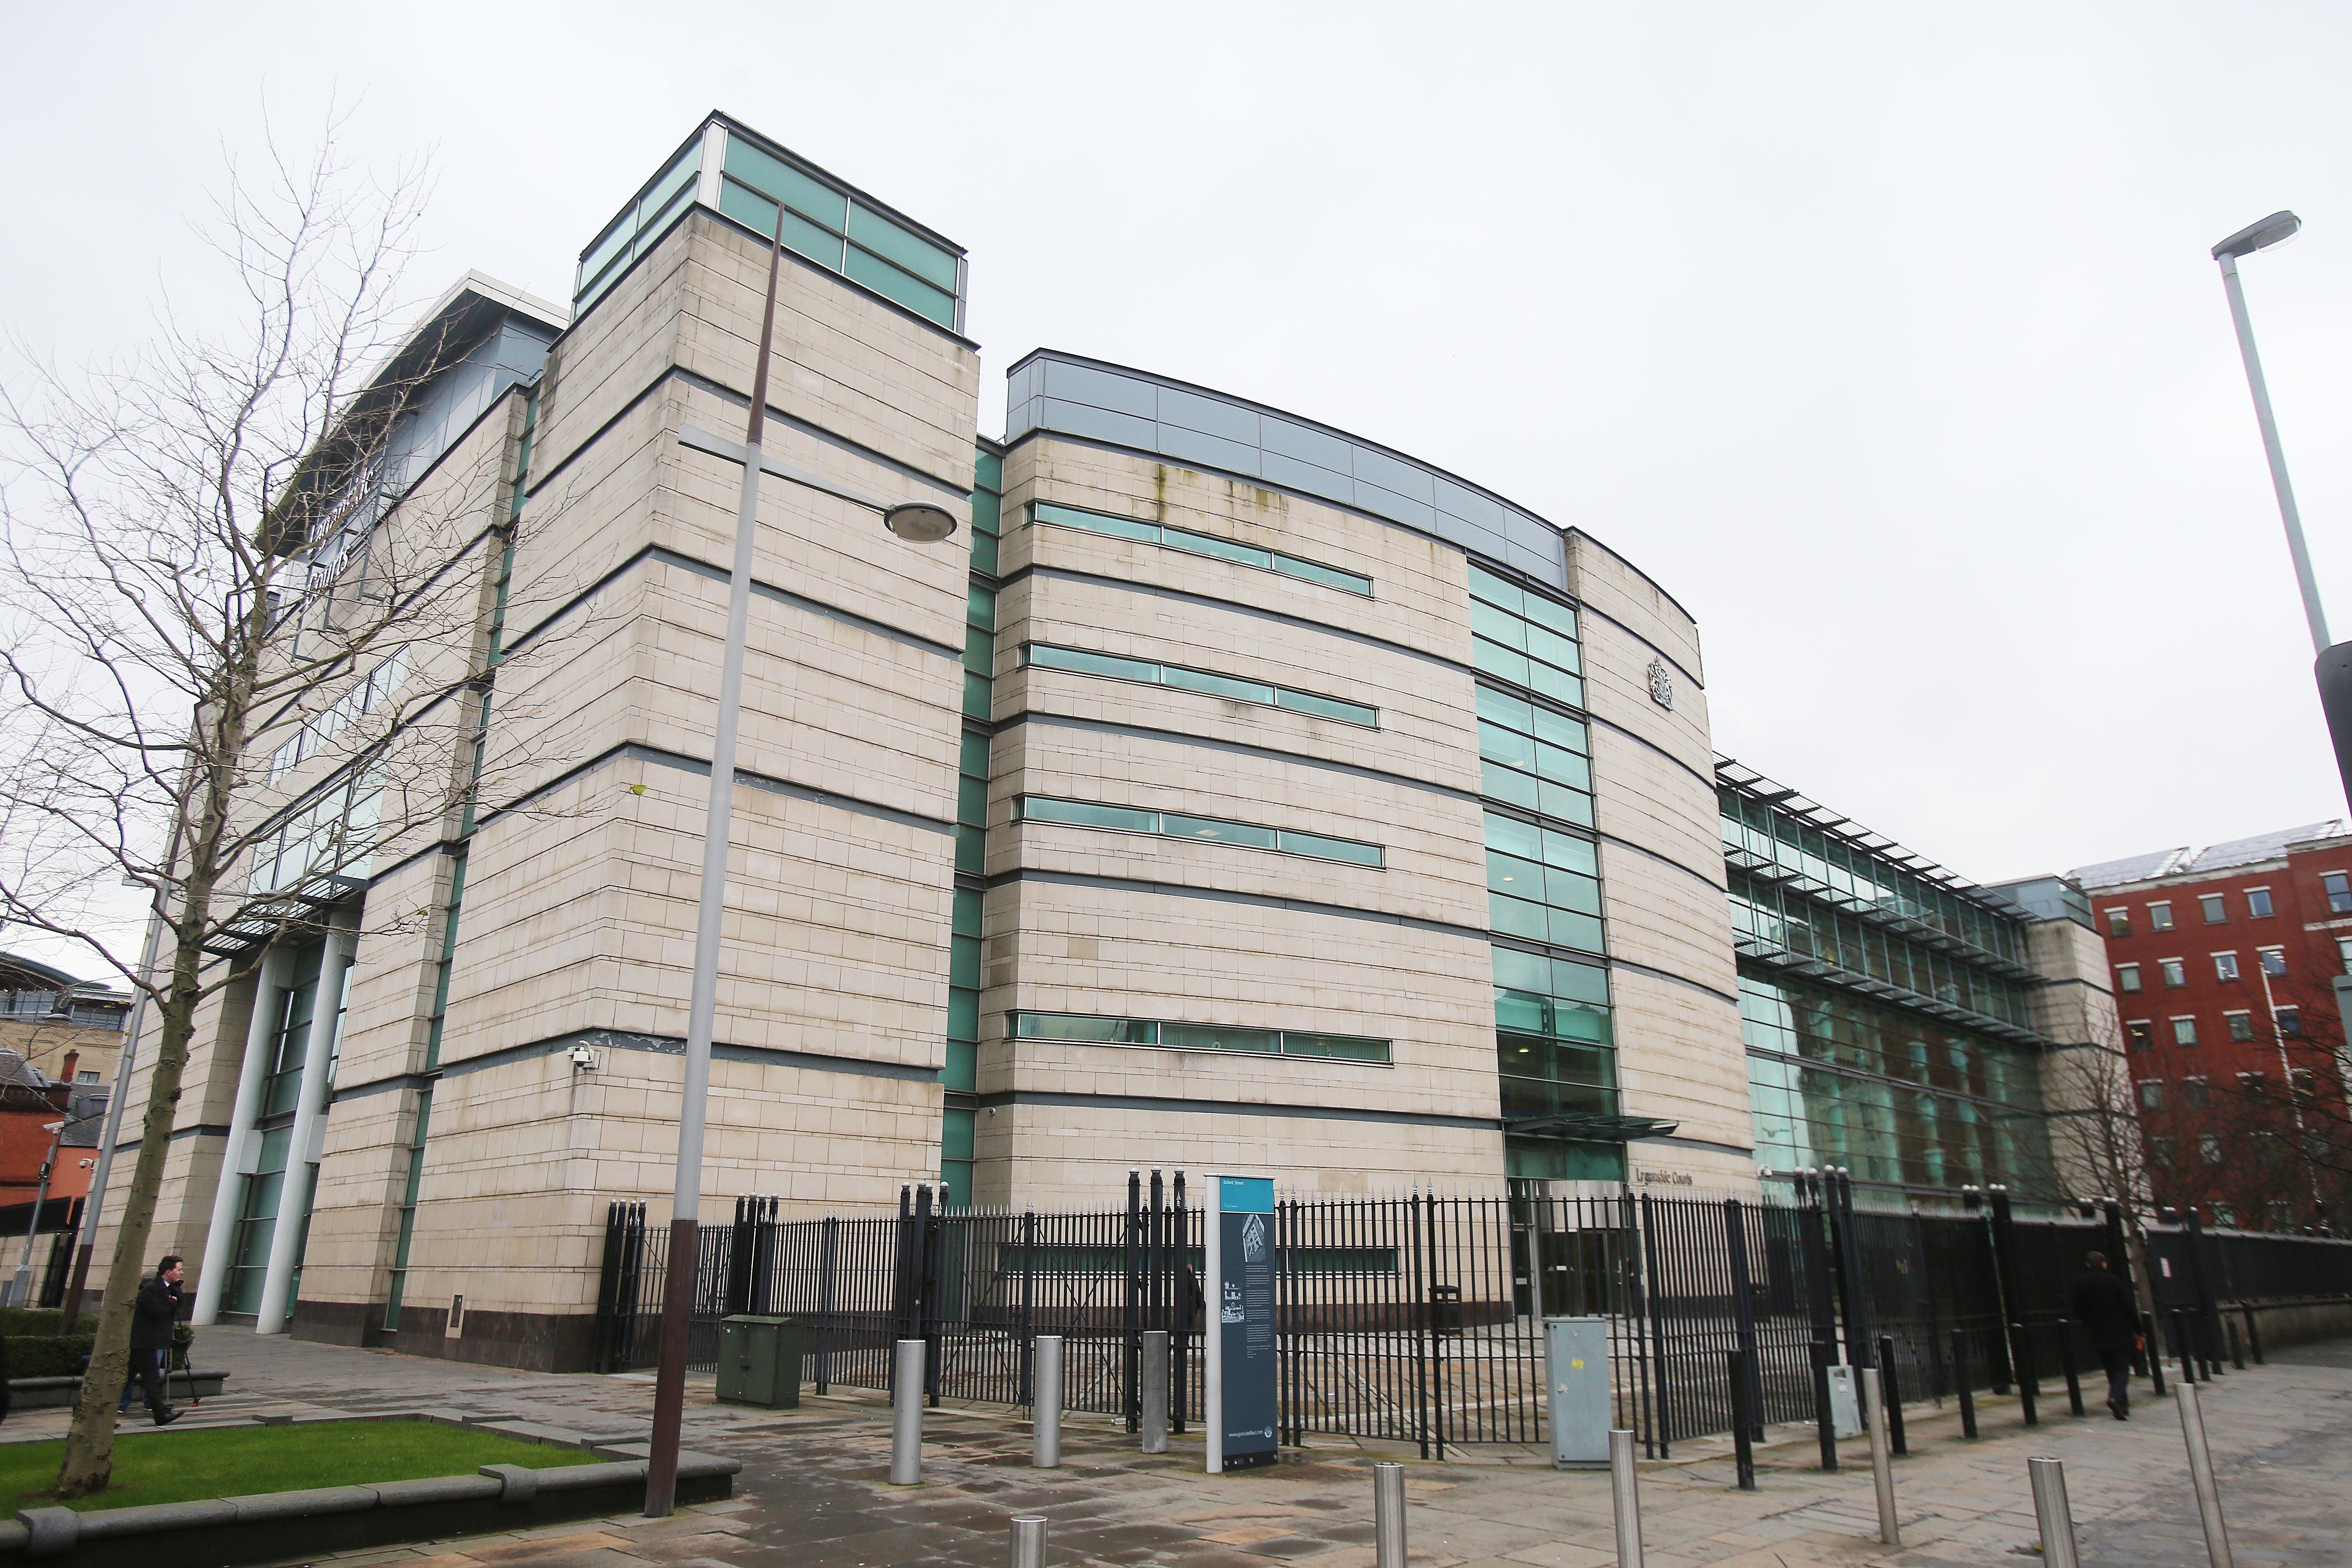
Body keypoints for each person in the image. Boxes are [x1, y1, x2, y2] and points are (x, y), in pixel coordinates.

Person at [2069, 1250, 2142, 1420]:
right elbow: (2129, 1306)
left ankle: (2122, 1405)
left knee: (2110, 1368)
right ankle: (2116, 1398)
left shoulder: (2081, 1283)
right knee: (2122, 1368)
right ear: (2105, 1264)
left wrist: (2090, 1321)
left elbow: (2078, 1309)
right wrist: (2139, 1330)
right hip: (2120, 1330)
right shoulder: (2114, 1281)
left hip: (2098, 1331)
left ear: (2088, 1265)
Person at [122, 1255, 186, 1426]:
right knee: (151, 1379)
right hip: (144, 1342)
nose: (182, 1273)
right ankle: (160, 1414)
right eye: (179, 1270)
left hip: (151, 1342)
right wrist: (170, 1303)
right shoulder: (151, 1289)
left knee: (125, 1379)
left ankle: (98, 1412)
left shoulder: (169, 1287)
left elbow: (179, 1302)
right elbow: (156, 1311)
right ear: (168, 1272)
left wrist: (174, 1293)